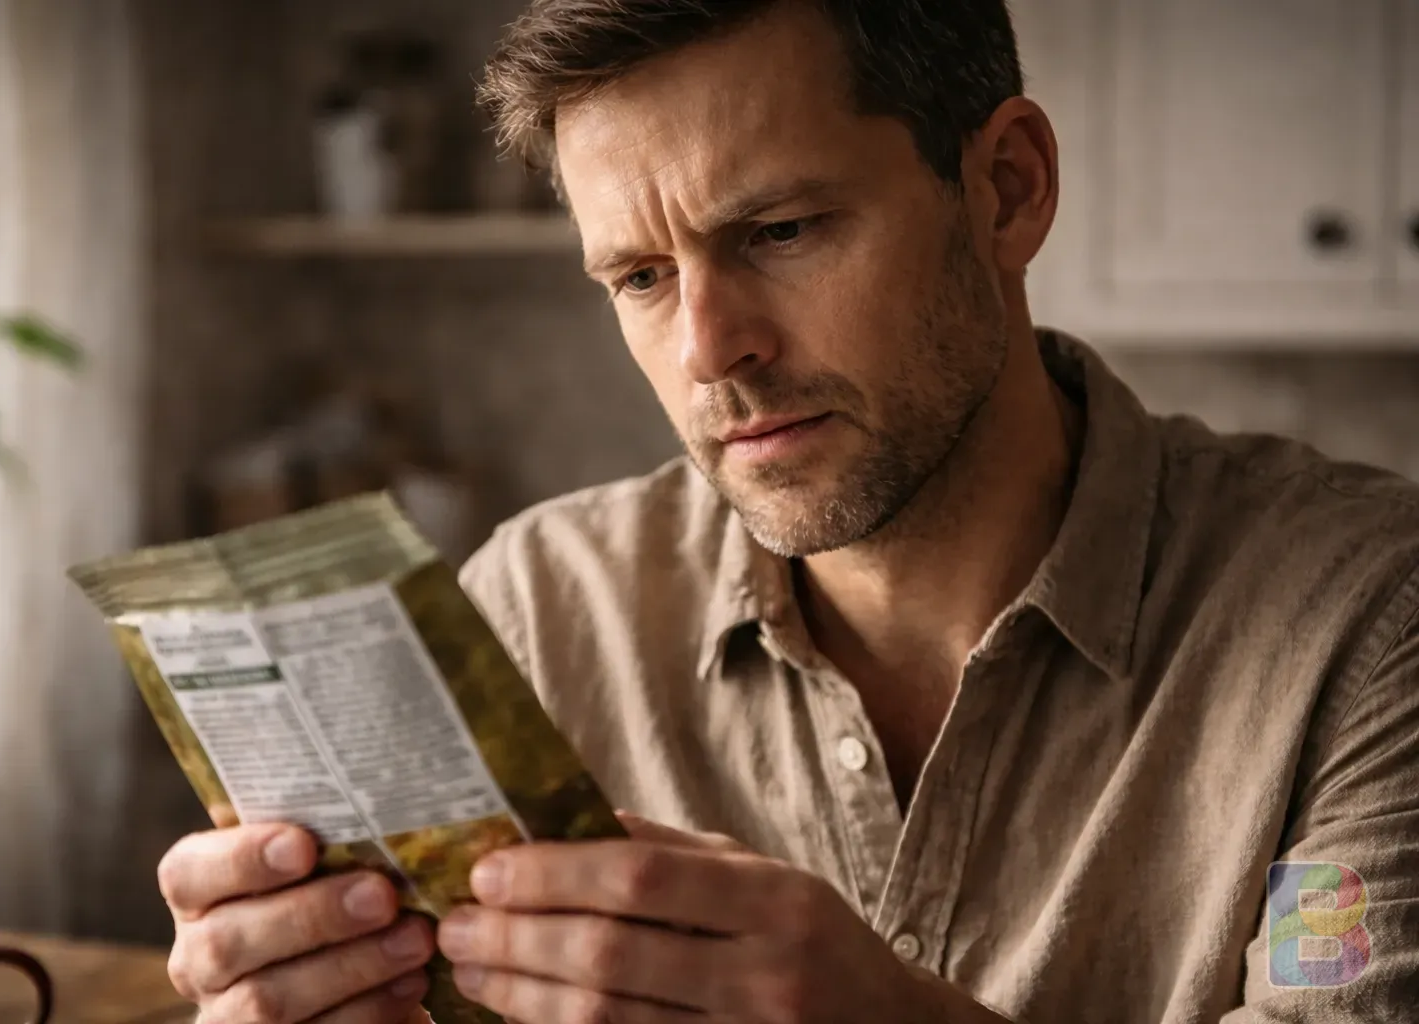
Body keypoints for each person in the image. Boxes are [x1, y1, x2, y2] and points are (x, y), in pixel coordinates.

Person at [156, 1, 1419, 1021]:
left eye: (781, 230)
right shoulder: (531, 608)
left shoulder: (1369, 618)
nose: (711, 351)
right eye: (642, 277)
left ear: (1008, 190)